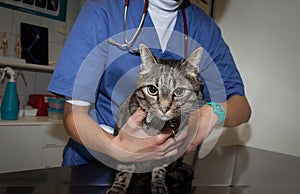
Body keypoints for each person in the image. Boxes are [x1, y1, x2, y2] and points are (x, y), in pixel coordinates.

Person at [48, 0, 251, 167]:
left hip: (163, 169)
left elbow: (241, 108)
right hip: (93, 164)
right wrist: (117, 147)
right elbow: (73, 114)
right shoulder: (103, 10)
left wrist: (211, 113)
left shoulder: (204, 29)